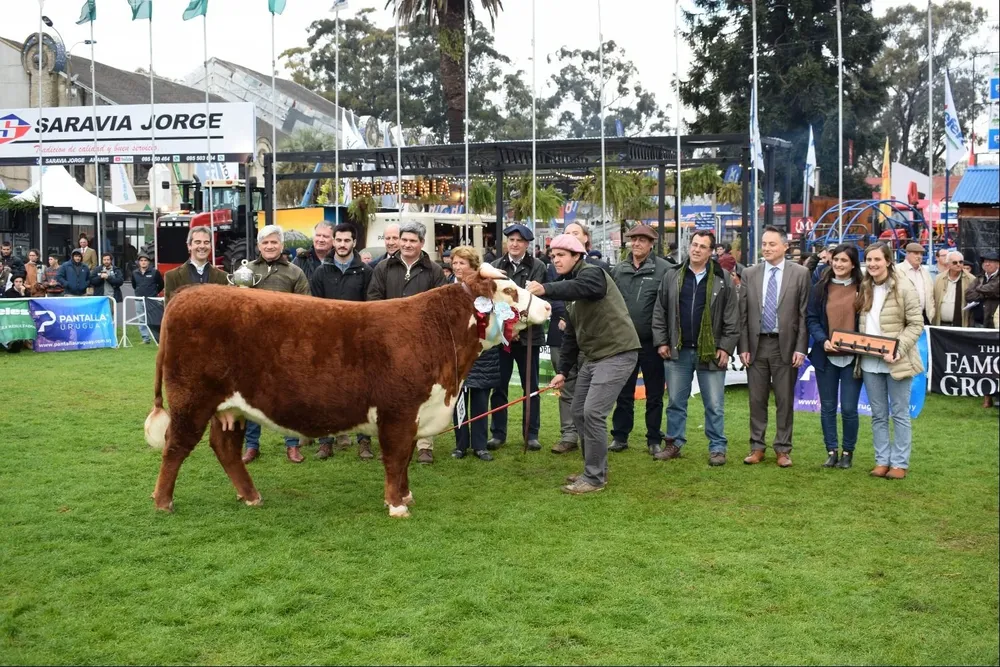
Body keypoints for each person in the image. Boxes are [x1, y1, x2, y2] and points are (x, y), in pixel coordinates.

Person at [527, 234, 639, 494]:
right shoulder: (569, 289)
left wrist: (545, 288)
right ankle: (594, 468)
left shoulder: (593, 273)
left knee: (592, 413)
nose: (555, 260)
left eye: (561, 255)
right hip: (593, 357)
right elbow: (571, 336)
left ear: (577, 256)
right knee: (578, 411)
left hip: (618, 352)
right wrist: (563, 371)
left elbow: (585, 287)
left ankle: (595, 478)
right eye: (553, 256)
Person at [651, 230, 739, 466]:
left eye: (703, 246)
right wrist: (661, 341)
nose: (697, 249)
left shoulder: (723, 278)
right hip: (678, 351)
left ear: (711, 252)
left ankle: (717, 448)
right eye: (694, 244)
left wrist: (726, 347)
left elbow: (732, 316)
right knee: (675, 403)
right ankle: (674, 444)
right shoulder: (673, 275)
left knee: (714, 405)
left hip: (710, 352)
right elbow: (660, 311)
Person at [368, 221, 446, 463]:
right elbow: (373, 300)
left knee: (422, 394)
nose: (407, 244)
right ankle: (390, 443)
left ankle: (424, 445)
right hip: (389, 343)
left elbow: (440, 306)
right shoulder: (382, 267)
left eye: (413, 241)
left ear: (422, 244)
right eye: (404, 239)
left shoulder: (434, 270)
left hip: (422, 344)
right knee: (389, 396)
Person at [738, 226, 811, 468]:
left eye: (772, 244)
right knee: (756, 399)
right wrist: (744, 346)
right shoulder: (750, 273)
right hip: (757, 346)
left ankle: (783, 449)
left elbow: (803, 314)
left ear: (785, 246)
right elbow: (744, 313)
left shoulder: (800, 273)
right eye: (764, 244)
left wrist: (801, 348)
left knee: (784, 399)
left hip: (786, 346)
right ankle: (757, 447)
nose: (767, 248)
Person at [241, 225, 312, 465]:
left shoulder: (295, 273)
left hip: (285, 347)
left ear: (281, 245)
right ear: (258, 246)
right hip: (253, 347)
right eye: (265, 243)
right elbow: (235, 307)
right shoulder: (246, 271)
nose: (270, 246)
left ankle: (292, 445)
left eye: (274, 242)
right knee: (252, 398)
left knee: (288, 398)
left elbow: (306, 309)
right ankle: (251, 446)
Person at [856, 243, 924, 480]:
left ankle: (899, 463)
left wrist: (898, 349)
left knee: (900, 414)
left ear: (888, 261)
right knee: (878, 414)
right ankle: (881, 460)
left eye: (877, 259)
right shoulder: (864, 287)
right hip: (870, 361)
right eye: (869, 259)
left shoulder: (905, 286)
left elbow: (916, 324)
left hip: (898, 360)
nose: (873, 264)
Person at [309, 222, 375, 460]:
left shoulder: (366, 273)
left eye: (347, 240)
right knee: (325, 394)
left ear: (354, 243)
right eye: (339, 240)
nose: (342, 244)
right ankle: (326, 441)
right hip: (327, 344)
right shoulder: (320, 272)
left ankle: (364, 441)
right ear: (333, 241)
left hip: (357, 343)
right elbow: (313, 309)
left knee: (360, 394)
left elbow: (371, 308)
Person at [609, 224, 671, 455]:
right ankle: (620, 436)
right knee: (623, 392)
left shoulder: (665, 270)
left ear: (651, 243)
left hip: (652, 342)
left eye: (642, 240)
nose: (636, 244)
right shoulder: (618, 269)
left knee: (654, 394)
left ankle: (654, 438)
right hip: (624, 342)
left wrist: (664, 340)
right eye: (633, 239)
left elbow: (669, 307)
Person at [488, 223, 547, 452]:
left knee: (530, 388)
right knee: (499, 387)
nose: (514, 244)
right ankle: (498, 434)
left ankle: (531, 434)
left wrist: (518, 328)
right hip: (501, 338)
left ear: (527, 244)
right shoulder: (495, 266)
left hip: (529, 338)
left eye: (519, 241)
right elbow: (493, 301)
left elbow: (534, 302)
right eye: (511, 240)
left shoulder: (538, 266)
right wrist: (506, 328)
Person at [806, 244, 864, 469]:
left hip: (853, 358)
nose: (839, 264)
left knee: (849, 408)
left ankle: (848, 452)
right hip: (825, 356)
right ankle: (831, 451)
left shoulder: (863, 287)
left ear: (853, 264)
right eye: (836, 259)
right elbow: (811, 318)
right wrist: (823, 340)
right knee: (828, 407)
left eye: (844, 261)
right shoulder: (820, 288)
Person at [448, 246, 500, 461]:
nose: (457, 267)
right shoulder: (447, 287)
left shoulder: (485, 287)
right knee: (458, 400)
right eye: (455, 262)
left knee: (480, 400)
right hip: (456, 353)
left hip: (482, 353)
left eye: (462, 263)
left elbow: (495, 317)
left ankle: (480, 445)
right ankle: (460, 444)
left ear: (473, 266)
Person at [545, 256, 580, 455]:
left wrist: (572, 320)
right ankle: (568, 435)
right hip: (560, 339)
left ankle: (587, 435)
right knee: (565, 387)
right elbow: (550, 299)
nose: (558, 258)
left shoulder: (594, 270)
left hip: (587, 341)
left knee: (586, 390)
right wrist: (563, 317)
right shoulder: (552, 270)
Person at [163, 227, 229, 305]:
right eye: (198, 242)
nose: (202, 246)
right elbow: (169, 312)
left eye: (206, 242)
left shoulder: (224, 277)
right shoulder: (172, 277)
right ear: (189, 246)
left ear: (211, 246)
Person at [895, 242, 936, 324]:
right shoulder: (897, 270)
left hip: (924, 316)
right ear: (907, 254)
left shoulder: (925, 272)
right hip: (904, 317)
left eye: (921, 254)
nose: (919, 256)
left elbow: (930, 295)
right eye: (916, 253)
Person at [931, 250, 974, 327]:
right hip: (940, 325)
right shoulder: (938, 279)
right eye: (955, 262)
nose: (958, 264)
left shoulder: (970, 279)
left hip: (961, 325)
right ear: (948, 265)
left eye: (961, 262)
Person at [131, 252, 164, 344]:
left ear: (149, 262)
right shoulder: (134, 273)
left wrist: (154, 293)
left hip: (152, 300)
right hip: (139, 299)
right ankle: (145, 339)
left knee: (155, 319)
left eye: (145, 260)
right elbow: (134, 285)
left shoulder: (155, 272)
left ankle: (159, 338)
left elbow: (161, 284)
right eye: (141, 260)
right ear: (138, 262)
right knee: (141, 320)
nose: (143, 262)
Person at [965, 250, 999, 328]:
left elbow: (993, 289)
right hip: (977, 321)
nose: (987, 264)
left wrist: (977, 289)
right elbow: (968, 295)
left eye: (990, 261)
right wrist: (984, 294)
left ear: (998, 264)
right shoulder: (979, 277)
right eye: (985, 261)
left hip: (992, 323)